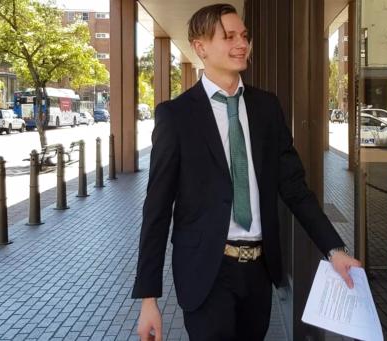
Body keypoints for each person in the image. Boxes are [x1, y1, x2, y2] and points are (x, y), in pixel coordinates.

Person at [133, 4, 360, 340]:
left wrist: (335, 250)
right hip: (206, 272)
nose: (242, 44)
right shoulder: (176, 117)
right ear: (200, 47)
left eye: (244, 36)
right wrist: (148, 299)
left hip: (259, 270)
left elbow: (295, 188)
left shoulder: (266, 108)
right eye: (229, 36)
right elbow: (157, 209)